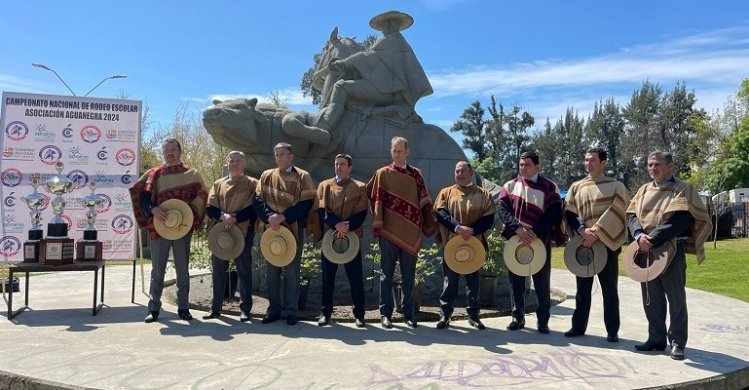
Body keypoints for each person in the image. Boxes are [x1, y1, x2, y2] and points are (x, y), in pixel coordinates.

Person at [626, 151, 711, 360]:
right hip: (644, 251)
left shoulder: (682, 189)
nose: (652, 168)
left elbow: (682, 220)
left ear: (670, 166)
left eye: (657, 164)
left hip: (671, 250)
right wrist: (638, 235)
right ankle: (655, 339)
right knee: (651, 298)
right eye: (649, 164)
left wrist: (651, 238)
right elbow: (631, 215)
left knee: (676, 298)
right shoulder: (643, 190)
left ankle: (677, 342)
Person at [130, 138, 207, 323]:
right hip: (159, 227)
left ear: (180, 151)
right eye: (166, 149)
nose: (169, 152)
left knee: (182, 269)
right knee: (157, 270)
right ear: (162, 152)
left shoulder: (192, 173)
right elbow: (143, 197)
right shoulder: (154, 173)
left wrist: (189, 213)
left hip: (182, 227)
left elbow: (202, 194)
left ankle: (184, 308)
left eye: (173, 149)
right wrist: (152, 209)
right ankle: (153, 309)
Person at [316, 10, 432, 131]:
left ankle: (326, 125)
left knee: (340, 87)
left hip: (384, 91)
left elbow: (366, 57)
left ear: (387, 25)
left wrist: (342, 63)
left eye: (383, 25)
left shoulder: (387, 40)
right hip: (396, 93)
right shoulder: (402, 43)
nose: (382, 29)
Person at [367, 136, 436, 329]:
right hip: (388, 231)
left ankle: (408, 314)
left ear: (407, 152)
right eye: (394, 151)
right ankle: (385, 314)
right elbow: (373, 197)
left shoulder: (416, 175)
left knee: (408, 276)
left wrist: (430, 221)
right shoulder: (382, 174)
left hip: (410, 231)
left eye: (400, 150)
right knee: (386, 275)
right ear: (391, 152)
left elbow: (424, 200)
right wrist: (380, 221)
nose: (397, 154)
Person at [563, 147, 629, 341]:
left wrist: (598, 231)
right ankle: (578, 327)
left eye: (592, 160)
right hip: (583, 243)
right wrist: (583, 230)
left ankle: (612, 331)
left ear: (603, 163)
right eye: (586, 160)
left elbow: (619, 210)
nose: (588, 164)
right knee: (582, 290)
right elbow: (569, 213)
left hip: (607, 244)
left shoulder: (616, 186)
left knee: (609, 290)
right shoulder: (577, 187)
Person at [497, 151, 562, 334]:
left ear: (537, 166)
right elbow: (502, 210)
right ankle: (517, 318)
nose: (523, 168)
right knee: (515, 281)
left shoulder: (549, 187)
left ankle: (543, 321)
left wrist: (535, 232)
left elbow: (555, 214)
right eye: (521, 164)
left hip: (539, 241)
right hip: (515, 240)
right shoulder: (510, 186)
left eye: (527, 164)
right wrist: (517, 228)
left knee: (541, 282)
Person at [253, 142, 317, 326]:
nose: (279, 157)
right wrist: (269, 217)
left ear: (291, 156)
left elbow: (306, 204)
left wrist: (283, 217)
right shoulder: (266, 175)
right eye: (276, 155)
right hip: (271, 230)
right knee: (271, 272)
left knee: (292, 272)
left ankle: (291, 311)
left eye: (282, 154)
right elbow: (257, 199)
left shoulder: (302, 176)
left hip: (293, 229)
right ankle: (273, 310)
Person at [433, 161, 495, 330]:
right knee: (450, 281)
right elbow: (440, 213)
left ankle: (474, 316)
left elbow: (489, 218)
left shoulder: (483, 194)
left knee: (473, 282)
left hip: (474, 245)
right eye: (457, 171)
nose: (460, 174)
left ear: (471, 173)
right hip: (452, 245)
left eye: (463, 171)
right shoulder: (446, 193)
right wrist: (458, 228)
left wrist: (471, 231)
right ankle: (445, 314)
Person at [203, 151, 258, 322]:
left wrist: (235, 218)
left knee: (244, 270)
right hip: (221, 232)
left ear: (244, 164)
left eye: (238, 160)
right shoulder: (218, 184)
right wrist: (224, 216)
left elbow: (255, 206)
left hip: (243, 231)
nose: (234, 163)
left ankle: (245, 309)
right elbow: (210, 206)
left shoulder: (252, 184)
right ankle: (215, 308)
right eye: (231, 160)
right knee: (218, 270)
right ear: (227, 163)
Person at [316, 153, 368, 328]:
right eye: (336, 164)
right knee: (328, 279)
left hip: (351, 239)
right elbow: (321, 210)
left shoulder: (360, 187)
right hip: (329, 239)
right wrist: (335, 224)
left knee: (355, 279)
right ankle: (325, 313)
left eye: (343, 164)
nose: (339, 167)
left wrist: (347, 226)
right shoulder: (324, 186)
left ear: (350, 167)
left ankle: (359, 314)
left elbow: (362, 212)